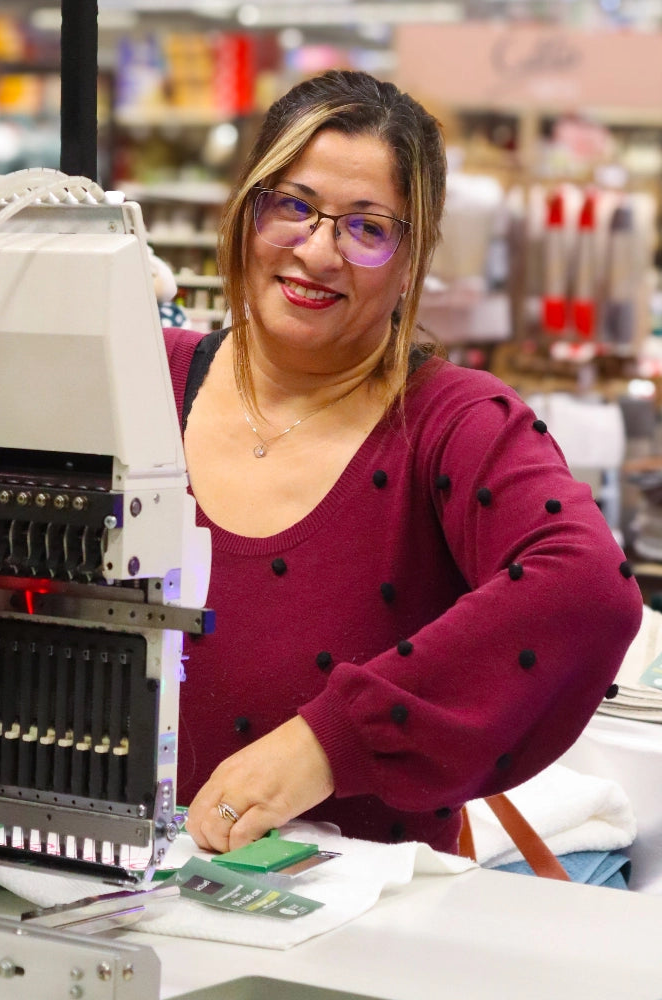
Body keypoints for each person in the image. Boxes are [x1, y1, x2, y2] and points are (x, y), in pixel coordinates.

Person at [165, 69, 643, 858]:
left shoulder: (452, 423)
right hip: (76, 894)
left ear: (411, 256)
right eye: (292, 206)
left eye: (366, 227)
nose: (317, 251)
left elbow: (587, 588)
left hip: (351, 940)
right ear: (246, 209)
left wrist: (329, 743)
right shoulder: (138, 375)